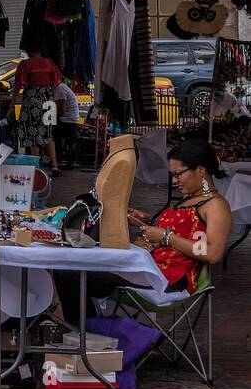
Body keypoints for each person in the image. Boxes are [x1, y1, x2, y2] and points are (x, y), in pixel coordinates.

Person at [53, 138, 233, 322]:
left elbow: (211, 252)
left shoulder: (215, 206)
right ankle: (88, 333)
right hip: (148, 269)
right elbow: (181, 232)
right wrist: (145, 222)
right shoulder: (189, 199)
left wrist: (165, 236)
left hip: (166, 281)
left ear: (201, 171)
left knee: (70, 274)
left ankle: (87, 334)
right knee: (72, 268)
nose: (174, 180)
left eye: (178, 174)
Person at [11, 46, 63, 176]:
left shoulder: (25, 64)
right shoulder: (49, 63)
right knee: (48, 133)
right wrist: (52, 99)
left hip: (32, 100)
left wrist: (12, 105)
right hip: (48, 98)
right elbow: (56, 83)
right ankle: (55, 165)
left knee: (33, 133)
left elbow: (17, 87)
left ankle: (36, 167)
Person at [52, 79, 80, 169]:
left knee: (49, 133)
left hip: (68, 122)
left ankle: (55, 159)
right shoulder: (63, 87)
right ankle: (56, 158)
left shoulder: (60, 89)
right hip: (70, 122)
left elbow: (60, 111)